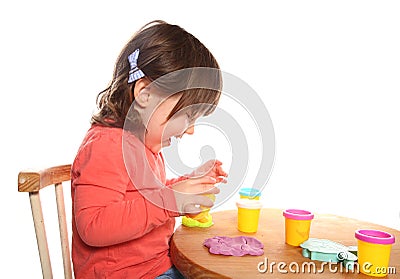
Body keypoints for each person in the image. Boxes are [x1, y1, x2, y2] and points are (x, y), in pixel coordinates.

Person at [71, 20, 227, 279]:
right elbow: (93, 225)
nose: (190, 130)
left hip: (158, 267)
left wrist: (188, 183)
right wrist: (171, 201)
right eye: (188, 116)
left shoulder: (142, 146)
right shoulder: (107, 145)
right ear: (145, 93)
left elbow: (144, 197)